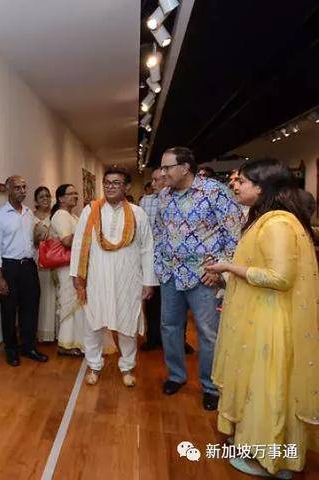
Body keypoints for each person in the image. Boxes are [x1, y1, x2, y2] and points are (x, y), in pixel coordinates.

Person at [205, 159, 319, 478]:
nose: (234, 185)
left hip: (270, 321)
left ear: (261, 187)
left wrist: (229, 267)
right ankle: (260, 449)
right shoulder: (267, 218)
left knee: (267, 390)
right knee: (259, 388)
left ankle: (269, 461)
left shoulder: (277, 223)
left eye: (241, 181)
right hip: (261, 314)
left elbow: (279, 277)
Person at [154, 147, 242, 410]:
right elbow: (159, 232)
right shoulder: (163, 195)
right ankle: (176, 376)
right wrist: (159, 266)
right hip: (170, 275)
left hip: (205, 276)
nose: (162, 173)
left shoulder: (215, 192)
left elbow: (234, 232)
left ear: (185, 168)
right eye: (162, 167)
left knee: (208, 333)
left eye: (167, 167)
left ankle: (210, 386)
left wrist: (219, 269)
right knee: (169, 327)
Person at [71, 167, 157, 387]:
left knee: (127, 323)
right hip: (96, 277)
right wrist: (76, 275)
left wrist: (148, 281)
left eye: (116, 183)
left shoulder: (138, 213)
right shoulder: (90, 211)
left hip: (127, 278)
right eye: (107, 183)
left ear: (126, 187)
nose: (110, 187)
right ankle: (94, 365)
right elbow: (79, 244)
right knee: (93, 322)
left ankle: (127, 367)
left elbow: (147, 248)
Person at [0, 175, 47, 366]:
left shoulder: (29, 214)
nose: (22, 191)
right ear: (8, 189)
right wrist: (0, 279)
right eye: (17, 187)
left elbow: (32, 241)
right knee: (8, 310)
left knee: (31, 307)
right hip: (9, 268)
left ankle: (28, 347)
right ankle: (11, 350)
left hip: (28, 267)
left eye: (24, 187)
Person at [49, 184, 84, 356]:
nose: (75, 196)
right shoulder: (61, 215)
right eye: (70, 193)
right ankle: (65, 344)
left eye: (76, 193)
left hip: (74, 265)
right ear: (61, 198)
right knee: (69, 303)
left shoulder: (73, 215)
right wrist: (86, 238)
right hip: (65, 266)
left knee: (77, 303)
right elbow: (67, 241)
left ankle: (75, 341)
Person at [138, 167, 165, 351]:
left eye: (157, 180)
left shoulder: (179, 201)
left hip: (173, 261)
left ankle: (179, 340)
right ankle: (152, 338)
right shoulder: (146, 201)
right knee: (152, 301)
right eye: (152, 180)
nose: (153, 184)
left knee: (175, 304)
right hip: (152, 259)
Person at [32, 186, 56, 344]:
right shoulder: (30, 217)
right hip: (36, 259)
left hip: (52, 259)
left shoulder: (55, 215)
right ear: (36, 201)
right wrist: (37, 237)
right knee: (38, 295)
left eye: (47, 196)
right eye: (41, 197)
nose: (45, 199)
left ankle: (52, 331)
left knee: (51, 294)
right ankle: (40, 331)